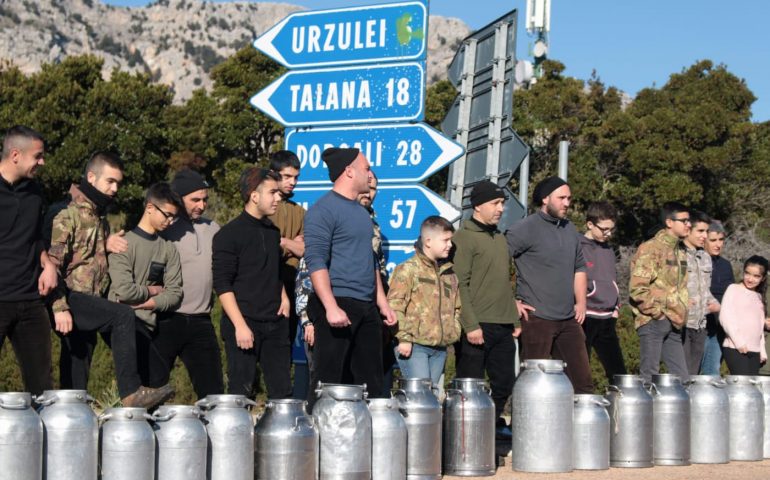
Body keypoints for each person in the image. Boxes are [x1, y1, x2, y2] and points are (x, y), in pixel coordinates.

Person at [49, 154, 173, 407]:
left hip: (89, 300)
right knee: (122, 316)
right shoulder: (66, 214)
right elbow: (53, 266)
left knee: (76, 370)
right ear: (91, 177)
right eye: (110, 181)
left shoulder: (99, 218)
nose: (115, 189)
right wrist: (60, 307)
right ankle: (131, 392)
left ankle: (71, 418)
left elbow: (84, 255)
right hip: (70, 298)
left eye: (118, 183)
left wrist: (105, 245)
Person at [303, 147, 397, 410]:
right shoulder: (322, 210)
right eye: (366, 168)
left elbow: (371, 261)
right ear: (349, 171)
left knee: (371, 385)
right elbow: (316, 262)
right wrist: (331, 307)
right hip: (338, 303)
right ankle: (317, 442)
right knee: (328, 383)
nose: (370, 174)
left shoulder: (362, 213)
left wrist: (383, 304)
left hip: (367, 307)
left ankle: (368, 443)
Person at [506, 176, 593, 394]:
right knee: (533, 384)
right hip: (536, 318)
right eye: (561, 198)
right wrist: (511, 301)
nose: (567, 203)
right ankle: (524, 425)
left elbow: (579, 268)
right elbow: (498, 264)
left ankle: (580, 428)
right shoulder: (524, 228)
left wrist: (581, 302)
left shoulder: (570, 229)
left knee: (582, 384)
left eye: (569, 198)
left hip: (568, 320)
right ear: (545, 199)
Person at [213, 167, 292, 399]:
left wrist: (284, 296)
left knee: (282, 394)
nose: (279, 198)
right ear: (254, 196)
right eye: (273, 192)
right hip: (244, 322)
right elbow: (222, 284)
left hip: (275, 324)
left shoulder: (273, 232)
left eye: (279, 193)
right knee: (241, 393)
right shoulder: (229, 234)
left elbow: (273, 270)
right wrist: (240, 326)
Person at [146, 170, 224, 399]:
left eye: (205, 199)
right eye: (195, 200)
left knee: (213, 394)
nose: (202, 205)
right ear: (179, 198)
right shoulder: (164, 228)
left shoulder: (214, 229)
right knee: (152, 388)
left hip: (201, 320)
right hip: (166, 319)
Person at [453, 180, 519, 437]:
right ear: (477, 206)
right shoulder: (463, 238)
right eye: (495, 203)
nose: (500, 209)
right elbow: (460, 285)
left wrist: (514, 320)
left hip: (503, 324)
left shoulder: (500, 239)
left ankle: (487, 429)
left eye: (502, 203)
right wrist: (471, 325)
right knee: (470, 386)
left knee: (504, 382)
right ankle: (465, 437)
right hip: (476, 326)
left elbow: (504, 282)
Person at [107, 183, 184, 399]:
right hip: (125, 324)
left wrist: (147, 302)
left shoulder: (168, 248)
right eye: (167, 215)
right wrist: (153, 290)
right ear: (150, 207)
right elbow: (124, 292)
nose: (169, 221)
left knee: (158, 383)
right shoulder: (124, 244)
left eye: (173, 217)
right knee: (153, 381)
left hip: (150, 324)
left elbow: (175, 293)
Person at [0, 125, 57, 396]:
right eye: (38, 156)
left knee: (42, 388)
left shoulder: (34, 191)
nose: (42, 162)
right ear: (15, 155)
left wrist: (48, 264)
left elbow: (34, 237)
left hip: (30, 302)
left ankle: (39, 439)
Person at [388, 216, 461, 385]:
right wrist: (404, 338)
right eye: (445, 240)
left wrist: (453, 330)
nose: (450, 245)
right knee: (419, 396)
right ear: (428, 241)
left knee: (431, 399)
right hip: (414, 347)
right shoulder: (408, 269)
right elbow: (394, 305)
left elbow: (457, 307)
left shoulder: (449, 274)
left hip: (440, 348)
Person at [629, 201, 690, 383]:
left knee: (682, 380)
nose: (689, 224)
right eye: (684, 220)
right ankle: (646, 412)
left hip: (674, 322)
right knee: (649, 377)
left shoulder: (680, 251)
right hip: (653, 321)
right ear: (669, 222)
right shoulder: (651, 249)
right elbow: (637, 288)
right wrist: (657, 314)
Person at [579, 201, 627, 383]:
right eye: (604, 229)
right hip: (585, 317)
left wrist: (615, 308)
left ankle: (619, 408)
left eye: (611, 229)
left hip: (607, 319)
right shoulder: (578, 246)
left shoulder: (608, 250)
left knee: (618, 373)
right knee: (581, 371)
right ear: (590, 224)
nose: (608, 234)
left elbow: (611, 279)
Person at [682, 211, 720, 375]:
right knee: (681, 374)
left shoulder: (705, 257)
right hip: (682, 324)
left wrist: (716, 304)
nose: (704, 235)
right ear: (688, 229)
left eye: (706, 231)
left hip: (700, 324)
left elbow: (705, 289)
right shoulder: (676, 254)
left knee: (693, 375)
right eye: (700, 231)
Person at [719, 256, 768, 375]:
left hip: (755, 350)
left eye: (756, 276)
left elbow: (759, 327)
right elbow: (725, 317)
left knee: (752, 387)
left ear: (763, 278)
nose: (750, 279)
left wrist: (762, 350)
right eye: (747, 273)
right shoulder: (733, 289)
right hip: (735, 348)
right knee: (742, 385)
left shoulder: (759, 296)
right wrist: (739, 342)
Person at [700, 221, 734, 375]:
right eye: (713, 240)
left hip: (719, 328)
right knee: (691, 371)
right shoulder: (696, 262)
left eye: (721, 240)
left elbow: (731, 296)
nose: (718, 244)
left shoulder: (726, 265)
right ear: (704, 240)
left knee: (711, 372)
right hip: (699, 327)